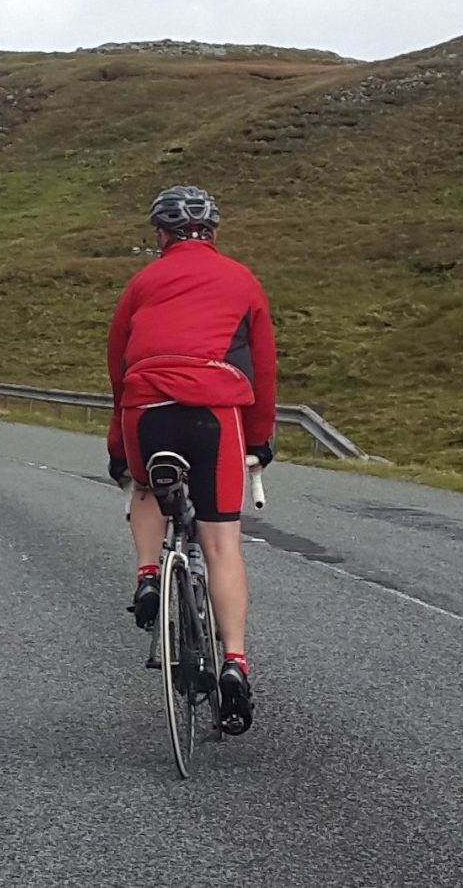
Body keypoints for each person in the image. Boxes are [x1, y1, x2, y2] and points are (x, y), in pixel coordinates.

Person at [105, 185, 277, 735]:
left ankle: (150, 574)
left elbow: (117, 367)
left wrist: (117, 449)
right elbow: (263, 368)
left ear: (160, 235)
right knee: (222, 542)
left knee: (146, 486)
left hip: (146, 406)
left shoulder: (141, 283)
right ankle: (234, 663)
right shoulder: (243, 280)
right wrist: (260, 439)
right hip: (214, 411)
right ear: (214, 233)